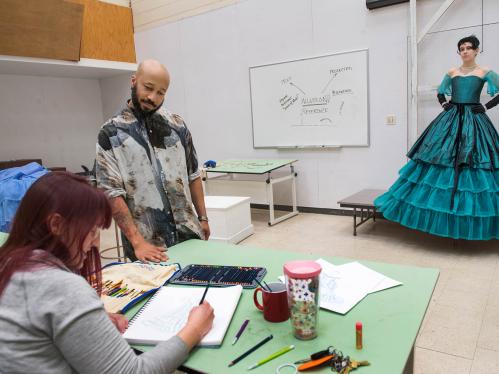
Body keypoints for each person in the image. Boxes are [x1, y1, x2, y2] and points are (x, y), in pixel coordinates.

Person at [0, 172, 214, 373]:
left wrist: (88, 323)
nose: (95, 243)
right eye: (91, 231)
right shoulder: (62, 287)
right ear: (56, 224)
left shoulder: (9, 264)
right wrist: (194, 329)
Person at [375, 35, 499, 240]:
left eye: (469, 48)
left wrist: (485, 106)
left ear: (477, 51)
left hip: (475, 121)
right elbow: (441, 93)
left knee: (476, 163)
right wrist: (444, 104)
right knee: (439, 160)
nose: (465, 51)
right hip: (449, 121)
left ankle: (467, 220)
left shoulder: (485, 72)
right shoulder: (452, 72)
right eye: (461, 48)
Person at [96, 59, 210, 263]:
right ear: (134, 81)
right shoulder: (111, 133)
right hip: (150, 247)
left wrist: (203, 218)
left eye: (161, 92)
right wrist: (138, 243)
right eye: (148, 88)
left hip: (190, 236)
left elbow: (193, 175)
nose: (152, 97)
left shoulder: (177, 125)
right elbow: (111, 194)